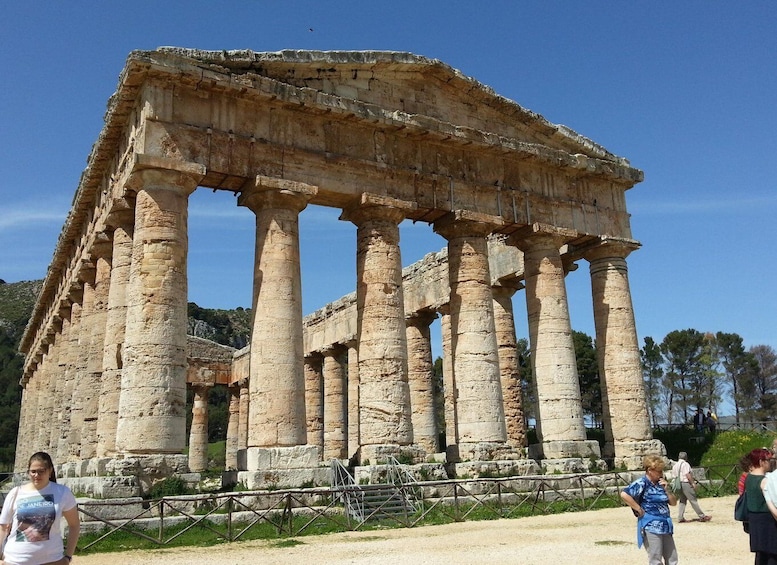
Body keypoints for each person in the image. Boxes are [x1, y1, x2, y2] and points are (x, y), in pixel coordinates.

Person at [0, 452, 80, 565]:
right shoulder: (15, 493)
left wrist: (68, 556)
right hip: (16, 560)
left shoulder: (62, 493)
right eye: (33, 471)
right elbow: (3, 527)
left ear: (50, 471)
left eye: (41, 471)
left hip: (52, 560)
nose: (36, 475)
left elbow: (74, 525)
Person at [621, 454, 678, 565]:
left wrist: (667, 490)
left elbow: (673, 503)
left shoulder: (660, 483)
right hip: (651, 525)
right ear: (650, 470)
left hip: (665, 525)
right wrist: (638, 508)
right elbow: (624, 494)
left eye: (661, 471)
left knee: (672, 558)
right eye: (658, 471)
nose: (661, 474)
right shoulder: (642, 483)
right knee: (655, 558)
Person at [742, 448, 777, 565]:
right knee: (773, 553)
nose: (770, 462)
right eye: (768, 460)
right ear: (761, 462)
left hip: (754, 519)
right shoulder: (764, 481)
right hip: (767, 519)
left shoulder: (748, 478)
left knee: (761, 554)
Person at [671, 451, 711, 523]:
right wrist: (692, 483)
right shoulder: (685, 464)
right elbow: (687, 474)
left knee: (682, 500)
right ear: (686, 457)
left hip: (678, 484)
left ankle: (680, 517)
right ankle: (702, 516)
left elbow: (674, 475)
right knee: (693, 500)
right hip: (685, 483)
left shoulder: (675, 465)